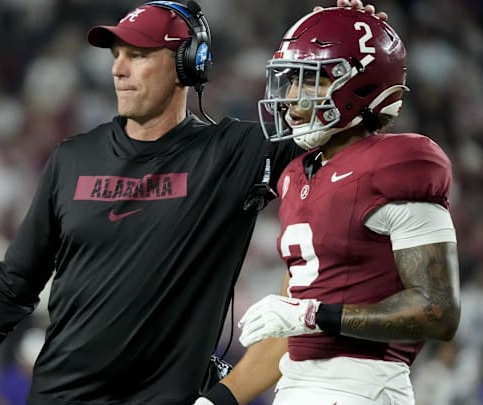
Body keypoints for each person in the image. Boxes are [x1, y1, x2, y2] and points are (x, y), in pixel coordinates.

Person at [0, 2, 388, 404]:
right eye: (117, 54)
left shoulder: (234, 154)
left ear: (188, 65)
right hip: (59, 395)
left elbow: (343, 134)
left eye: (139, 55)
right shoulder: (72, 157)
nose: (118, 68)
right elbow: (14, 284)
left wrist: (362, 49)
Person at [198, 6, 461, 405]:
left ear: (357, 84)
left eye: (307, 81)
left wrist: (313, 316)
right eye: (288, 82)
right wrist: (217, 401)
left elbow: (437, 310)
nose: (288, 99)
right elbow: (290, 331)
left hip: (363, 387)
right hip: (298, 387)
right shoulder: (295, 176)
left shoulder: (398, 163)